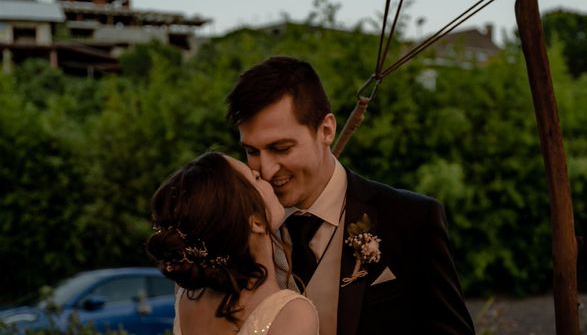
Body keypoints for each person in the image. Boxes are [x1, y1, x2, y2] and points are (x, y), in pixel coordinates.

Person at [226, 56, 476, 335]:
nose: (267, 169)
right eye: (252, 152)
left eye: (281, 148)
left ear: (326, 130)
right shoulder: (239, 229)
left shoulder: (412, 219)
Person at [146, 151, 319, 335]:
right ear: (257, 223)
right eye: (257, 178)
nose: (267, 179)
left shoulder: (188, 297)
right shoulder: (292, 315)